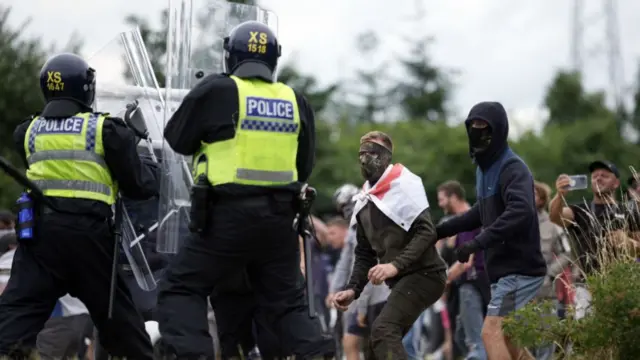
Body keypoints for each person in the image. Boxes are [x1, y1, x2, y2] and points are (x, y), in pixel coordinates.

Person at [157, 21, 334, 359]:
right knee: (288, 304)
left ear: (229, 56)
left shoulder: (218, 90)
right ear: (274, 59)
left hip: (225, 218)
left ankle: (193, 354)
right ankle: (318, 353)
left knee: (180, 287)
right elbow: (304, 166)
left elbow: (176, 138)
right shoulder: (295, 99)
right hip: (280, 222)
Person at [0, 53, 158, 359]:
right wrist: (139, 150)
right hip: (90, 240)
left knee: (13, 323)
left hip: (40, 238)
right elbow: (140, 187)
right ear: (87, 89)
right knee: (122, 327)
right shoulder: (106, 130)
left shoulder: (27, 132)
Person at [434, 102, 547, 360]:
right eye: (473, 128)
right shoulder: (483, 170)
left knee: (490, 333)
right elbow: (479, 213)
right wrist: (440, 231)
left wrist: (477, 243)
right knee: (508, 338)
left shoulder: (512, 167)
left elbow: (520, 211)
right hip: (503, 272)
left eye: (485, 128)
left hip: (519, 270)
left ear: (499, 131)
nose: (478, 133)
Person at [332, 131, 447, 360]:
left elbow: (427, 232)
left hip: (426, 275)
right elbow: (364, 254)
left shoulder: (403, 185)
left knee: (383, 330)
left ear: (386, 157)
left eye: (372, 153)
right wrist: (353, 290)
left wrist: (394, 265)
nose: (365, 159)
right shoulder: (365, 200)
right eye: (361, 153)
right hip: (402, 280)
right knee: (376, 347)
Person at [549, 161, 639, 319]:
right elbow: (555, 217)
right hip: (587, 287)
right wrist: (559, 195)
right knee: (586, 334)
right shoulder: (580, 210)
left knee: (619, 336)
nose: (598, 179)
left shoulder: (627, 211)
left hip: (622, 287)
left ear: (616, 183)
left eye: (604, 176)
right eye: (595, 176)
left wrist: (628, 243)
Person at [438, 180, 489, 360]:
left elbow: (465, 262)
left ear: (454, 197)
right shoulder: (469, 221)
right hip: (477, 284)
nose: (440, 204)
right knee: (461, 334)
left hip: (472, 285)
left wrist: (443, 279)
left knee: (474, 342)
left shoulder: (468, 220)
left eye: (442, 199)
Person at [530, 181, 572, 360]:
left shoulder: (553, 225)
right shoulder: (513, 222)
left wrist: (550, 273)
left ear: (541, 200)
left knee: (545, 342)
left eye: (532, 193)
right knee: (522, 341)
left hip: (545, 292)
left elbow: (568, 253)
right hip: (519, 292)